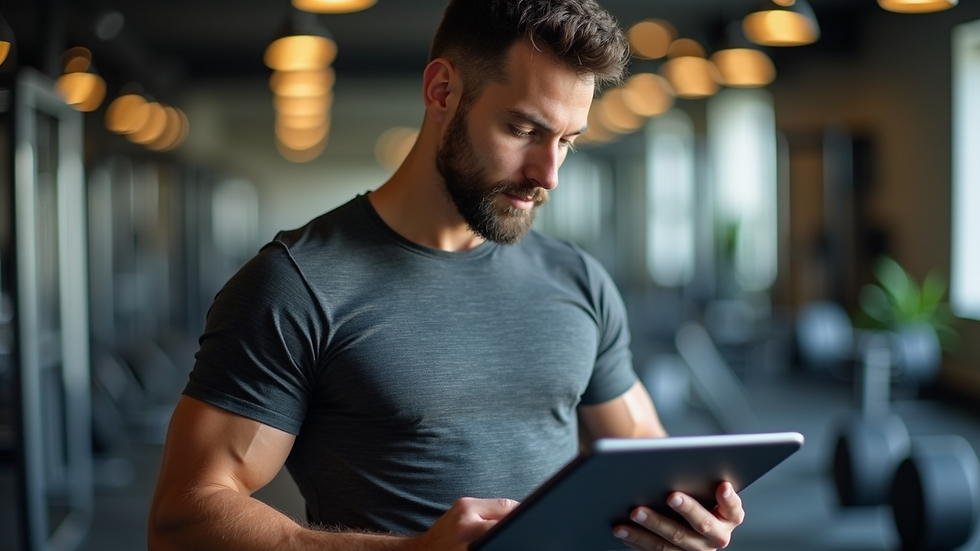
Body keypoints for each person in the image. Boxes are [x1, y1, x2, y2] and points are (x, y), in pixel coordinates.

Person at [148, 1, 745, 550]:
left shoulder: (578, 279)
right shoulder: (298, 285)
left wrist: (688, 510)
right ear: (441, 92)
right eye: (523, 130)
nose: (548, 173)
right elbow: (184, 516)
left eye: (567, 141)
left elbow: (643, 452)